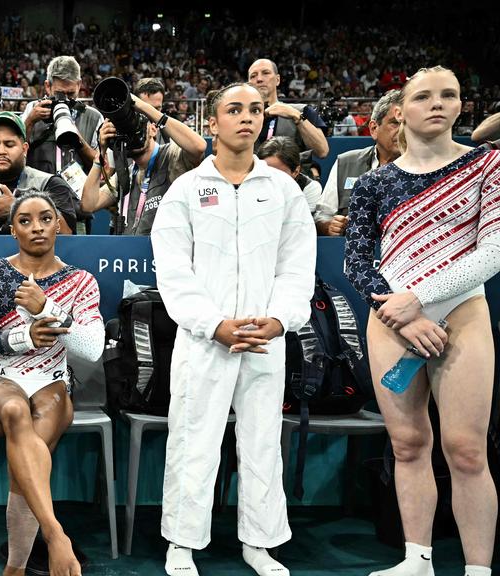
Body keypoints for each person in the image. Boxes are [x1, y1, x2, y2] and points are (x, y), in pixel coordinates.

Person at [152, 83, 316, 576]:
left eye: (255, 110)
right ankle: (181, 543)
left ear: (265, 120)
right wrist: (214, 324)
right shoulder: (184, 191)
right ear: (214, 123)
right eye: (234, 109)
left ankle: (259, 543)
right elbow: (173, 272)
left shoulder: (283, 190)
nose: (246, 117)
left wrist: (281, 320)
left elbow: (296, 267)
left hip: (265, 339)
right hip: (206, 340)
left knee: (263, 440)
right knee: (192, 437)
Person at [344, 66, 499, 576]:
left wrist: (422, 299)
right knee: (408, 445)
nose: (438, 103)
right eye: (424, 96)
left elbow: (493, 250)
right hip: (392, 321)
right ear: (399, 111)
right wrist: (402, 315)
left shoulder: (487, 166)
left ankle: (477, 568)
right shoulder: (373, 184)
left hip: (462, 312)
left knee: (466, 449)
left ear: (461, 107)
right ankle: (417, 559)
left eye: (449, 95)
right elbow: (358, 261)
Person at [0, 191, 103, 576]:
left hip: (53, 381)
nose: (36, 227)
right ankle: (56, 536)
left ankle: (16, 569)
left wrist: (47, 308)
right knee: (12, 410)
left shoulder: (79, 281)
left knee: (26, 455)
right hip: (5, 376)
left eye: (45, 218)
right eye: (25, 220)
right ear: (12, 230)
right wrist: (18, 338)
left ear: (58, 224)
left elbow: (91, 348)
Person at [80, 92, 206, 235]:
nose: (132, 133)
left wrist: (142, 106)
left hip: (162, 253)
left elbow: (199, 147)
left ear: (153, 129)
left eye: (137, 126)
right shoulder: (126, 174)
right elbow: (88, 205)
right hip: (131, 254)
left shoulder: (171, 156)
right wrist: (101, 151)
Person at [314, 90, 403, 236]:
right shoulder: (346, 163)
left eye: (407, 124)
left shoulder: (426, 169)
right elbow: (321, 216)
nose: (402, 131)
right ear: (374, 128)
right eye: (395, 123)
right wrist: (331, 226)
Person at [21, 56, 102, 178]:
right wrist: (30, 121)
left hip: (77, 194)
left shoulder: (93, 117)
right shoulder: (32, 109)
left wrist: (76, 137)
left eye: (71, 93)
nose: (65, 99)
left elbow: (101, 167)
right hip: (39, 192)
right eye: (59, 94)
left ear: (79, 85)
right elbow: (16, 154)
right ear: (48, 86)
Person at [248, 58, 329, 159]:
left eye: (265, 73)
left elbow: (322, 151)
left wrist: (296, 116)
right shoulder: (241, 117)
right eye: (253, 76)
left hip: (288, 174)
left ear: (277, 80)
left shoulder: (302, 110)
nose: (259, 79)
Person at [256, 136, 323, 215]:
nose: (272, 178)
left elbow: (300, 224)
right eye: (266, 171)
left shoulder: (309, 188)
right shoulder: (247, 183)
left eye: (279, 173)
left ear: (296, 171)